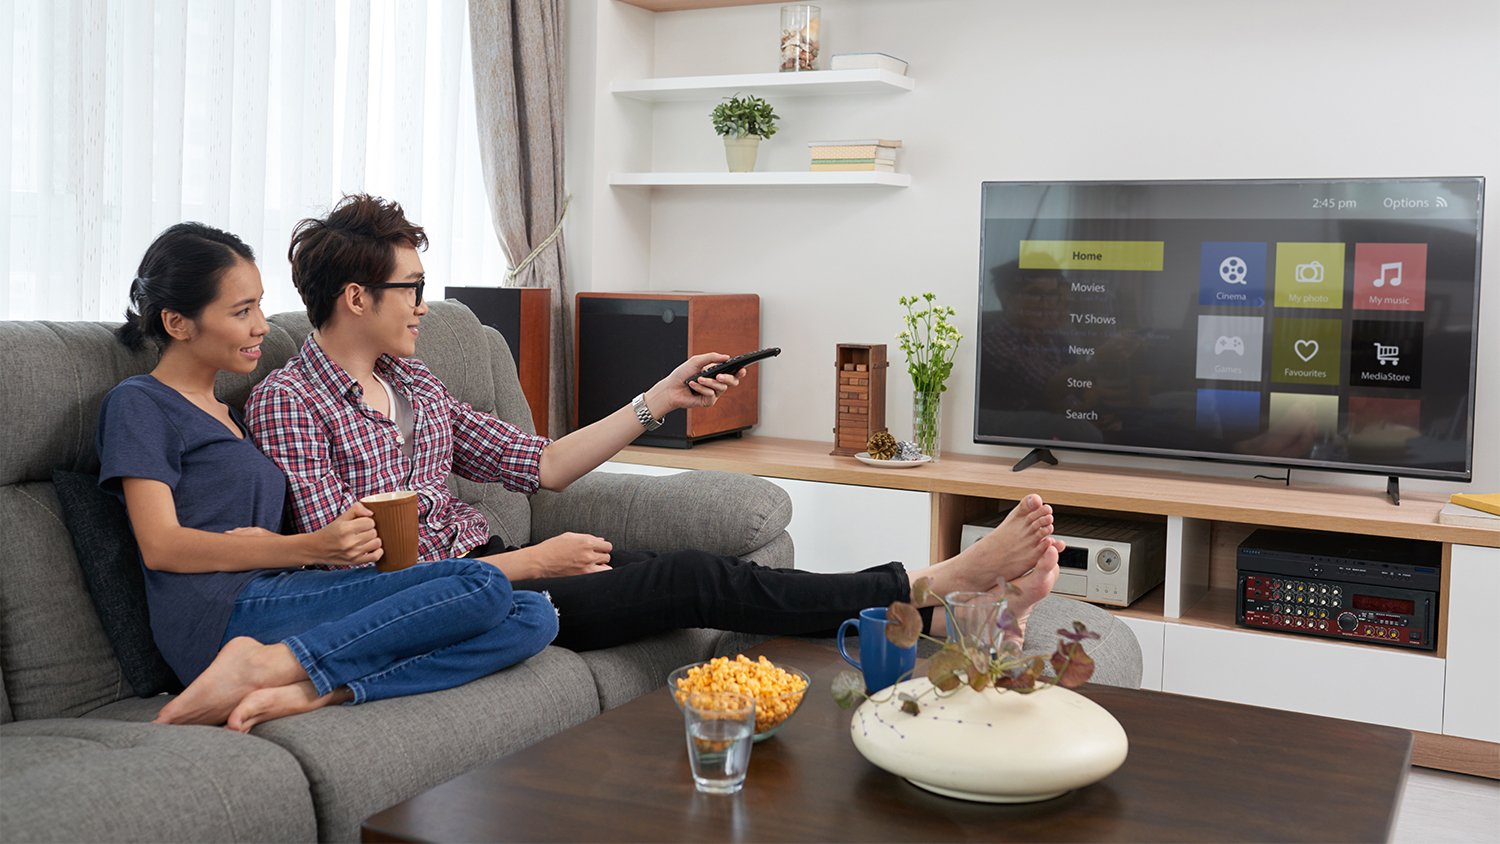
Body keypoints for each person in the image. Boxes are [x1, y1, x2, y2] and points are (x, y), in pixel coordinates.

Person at [240, 193, 1062, 657]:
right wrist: (531, 562)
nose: (423, 303)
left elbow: (548, 465)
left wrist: (657, 398)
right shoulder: (289, 402)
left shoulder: (412, 380)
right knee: (697, 581)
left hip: (501, 565)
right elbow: (370, 577)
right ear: (356, 298)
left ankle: (943, 611)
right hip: (459, 597)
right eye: (410, 288)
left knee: (713, 576)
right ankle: (936, 587)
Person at [98, 223, 559, 733]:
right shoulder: (139, 403)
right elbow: (162, 546)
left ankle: (315, 687)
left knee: (532, 617)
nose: (262, 327)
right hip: (221, 613)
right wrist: (309, 548)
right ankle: (258, 664)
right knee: (482, 583)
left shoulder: (227, 415)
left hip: (282, 593)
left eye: (259, 306)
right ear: (178, 323)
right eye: (241, 311)